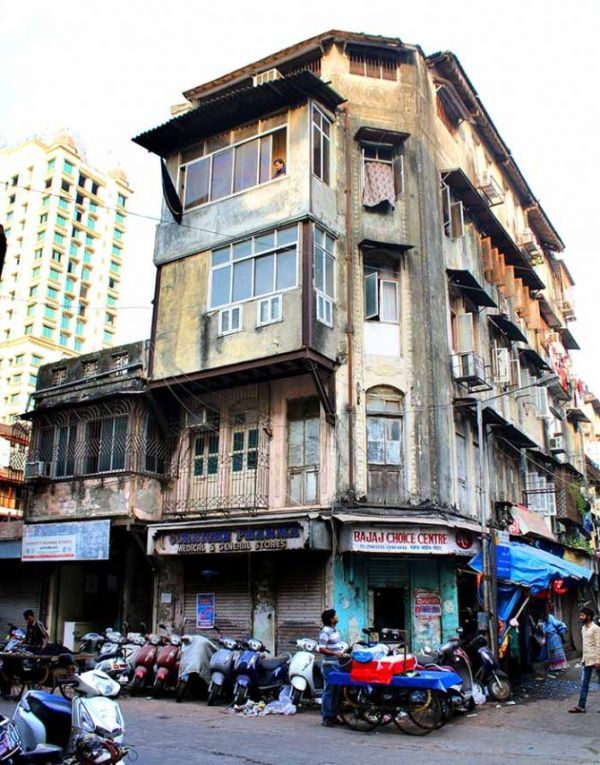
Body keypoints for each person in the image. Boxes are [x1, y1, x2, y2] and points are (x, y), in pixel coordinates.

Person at [318, 608, 347, 727]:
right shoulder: (325, 631)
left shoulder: (335, 631)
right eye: (335, 615)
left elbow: (336, 645)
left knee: (337, 691)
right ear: (331, 619)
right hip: (329, 665)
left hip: (337, 664)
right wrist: (335, 654)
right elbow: (321, 648)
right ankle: (326, 717)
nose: (337, 617)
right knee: (329, 691)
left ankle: (333, 716)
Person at [568, 606, 600, 713]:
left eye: (582, 615)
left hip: (596, 660)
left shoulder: (595, 628)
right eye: (580, 615)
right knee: (584, 684)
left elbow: (598, 645)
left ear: (589, 617)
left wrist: (598, 660)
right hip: (586, 660)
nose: (580, 617)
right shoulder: (583, 628)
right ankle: (581, 706)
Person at [539, 607, 568, 671]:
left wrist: (563, 627)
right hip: (549, 638)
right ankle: (554, 667)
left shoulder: (550, 617)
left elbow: (558, 623)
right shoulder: (543, 622)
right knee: (552, 653)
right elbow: (544, 631)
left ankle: (559, 667)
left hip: (555, 637)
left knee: (557, 651)